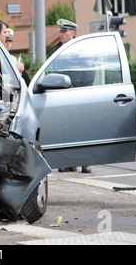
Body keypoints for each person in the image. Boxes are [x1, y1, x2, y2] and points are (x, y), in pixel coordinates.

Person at [54, 19, 91, 174]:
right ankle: (68, 162)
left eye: (64, 31)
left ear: (72, 33)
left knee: (82, 129)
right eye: (60, 32)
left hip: (78, 93)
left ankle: (85, 162)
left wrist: (78, 87)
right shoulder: (57, 49)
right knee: (66, 130)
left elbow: (90, 72)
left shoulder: (81, 48)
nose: (61, 34)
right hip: (63, 94)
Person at [0, 20, 30, 85]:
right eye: (5, 32)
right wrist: (16, 69)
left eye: (10, 41)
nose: (7, 35)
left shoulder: (2, 53)